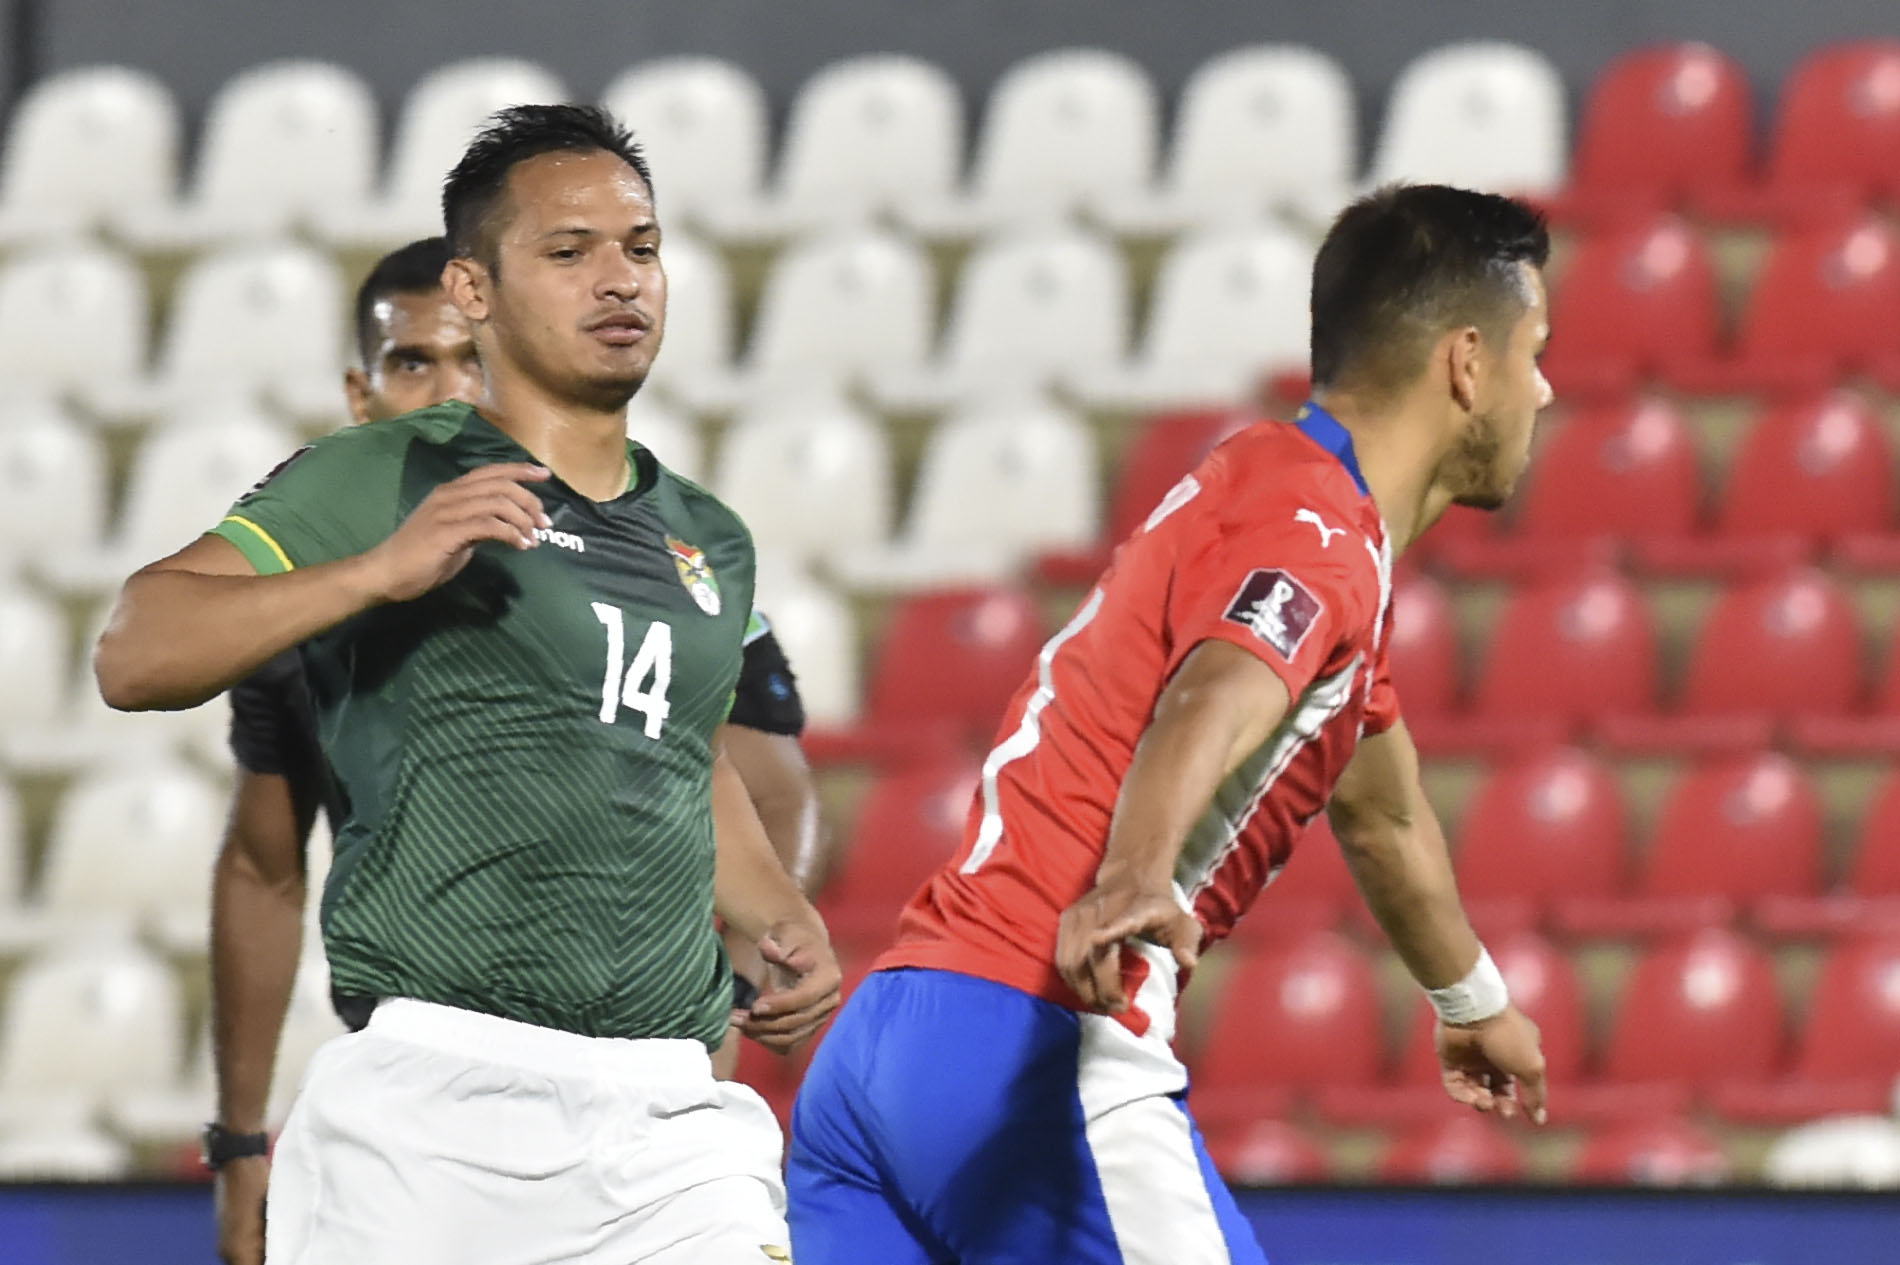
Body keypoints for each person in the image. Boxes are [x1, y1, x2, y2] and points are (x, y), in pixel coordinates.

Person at [96, 104, 834, 1264]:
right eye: (568, 249)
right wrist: (378, 572)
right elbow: (135, 649)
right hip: (432, 1110)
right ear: (474, 290)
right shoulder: (384, 471)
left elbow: (678, 755)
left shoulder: (709, 537)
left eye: (639, 248)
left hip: (672, 1123)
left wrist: (777, 914)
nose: (618, 280)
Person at [786, 184, 1557, 1264]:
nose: (1545, 386)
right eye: (1534, 351)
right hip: (1035, 1043)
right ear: (1467, 365)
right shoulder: (1317, 538)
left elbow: (1383, 815)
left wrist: (1469, 998)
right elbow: (1216, 690)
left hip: (888, 1047)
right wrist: (1136, 874)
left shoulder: (1271, 496)